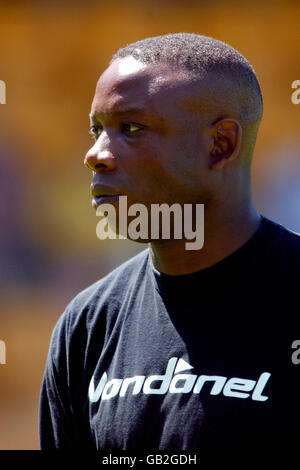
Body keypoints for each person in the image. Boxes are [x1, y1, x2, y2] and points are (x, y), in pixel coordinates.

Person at [39, 33, 300, 450]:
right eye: (97, 129)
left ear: (220, 145)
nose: (95, 153)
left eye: (132, 127)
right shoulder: (87, 324)